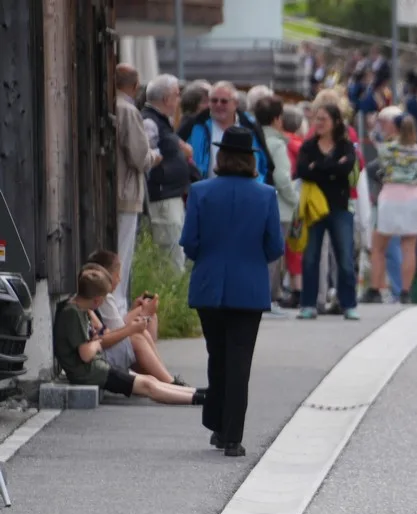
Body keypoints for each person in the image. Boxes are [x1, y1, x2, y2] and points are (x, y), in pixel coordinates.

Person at [181, 126, 286, 458]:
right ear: (251, 160)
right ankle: (232, 437)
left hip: (210, 284)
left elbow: (190, 243)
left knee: (217, 355)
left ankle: (216, 422)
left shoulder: (200, 191)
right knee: (240, 361)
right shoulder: (266, 195)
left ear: (221, 156)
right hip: (249, 286)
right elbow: (274, 247)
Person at [54, 265, 202, 408]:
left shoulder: (78, 309)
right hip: (91, 373)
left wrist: (96, 338)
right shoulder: (72, 313)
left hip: (97, 368)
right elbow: (85, 354)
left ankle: (196, 392)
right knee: (148, 386)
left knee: (149, 379)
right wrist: (97, 343)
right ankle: (198, 399)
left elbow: (93, 338)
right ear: (97, 300)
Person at [294, 103, 360, 321]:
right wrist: (331, 167)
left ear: (335, 122)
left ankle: (348, 303)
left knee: (344, 258)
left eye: (323, 119)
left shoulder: (345, 146)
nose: (318, 123)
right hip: (315, 209)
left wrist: (319, 167)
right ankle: (308, 304)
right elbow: (303, 170)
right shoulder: (309, 146)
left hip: (340, 207)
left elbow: (347, 167)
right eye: (316, 119)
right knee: (310, 256)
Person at [84, 249, 185, 387]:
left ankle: (162, 377)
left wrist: (136, 311)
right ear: (106, 277)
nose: (119, 280)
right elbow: (114, 334)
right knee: (138, 337)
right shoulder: (102, 298)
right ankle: (169, 382)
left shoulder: (99, 298)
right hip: (97, 355)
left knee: (145, 322)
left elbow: (114, 328)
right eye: (117, 275)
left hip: (101, 348)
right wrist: (142, 315)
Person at [369, 115, 417, 304]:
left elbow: (378, 171)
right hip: (414, 197)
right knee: (409, 247)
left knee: (379, 246)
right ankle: (405, 291)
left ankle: (374, 289)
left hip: (391, 196)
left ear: (395, 129)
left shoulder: (387, 149)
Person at [142, 73, 195, 273]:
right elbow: (145, 155)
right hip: (162, 198)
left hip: (171, 195)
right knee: (170, 255)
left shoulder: (162, 121)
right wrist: (159, 158)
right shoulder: (150, 121)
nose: (179, 100)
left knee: (176, 249)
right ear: (166, 99)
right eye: (177, 95)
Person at [114, 64, 156, 312]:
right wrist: (154, 156)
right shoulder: (128, 110)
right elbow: (140, 157)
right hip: (127, 191)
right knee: (122, 257)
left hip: (110, 191)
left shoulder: (109, 105)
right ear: (135, 86)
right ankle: (118, 309)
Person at [253, 97, 300, 307]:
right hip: (280, 206)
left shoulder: (254, 139)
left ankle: (263, 296)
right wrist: (296, 200)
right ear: (277, 119)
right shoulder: (278, 144)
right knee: (274, 255)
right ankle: (267, 298)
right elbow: (282, 177)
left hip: (258, 203)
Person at [183, 81, 272, 184]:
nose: (218, 105)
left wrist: (258, 185)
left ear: (235, 103)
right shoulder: (196, 125)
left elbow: (265, 162)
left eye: (224, 101)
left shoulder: (250, 125)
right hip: (206, 193)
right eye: (214, 101)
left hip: (246, 193)